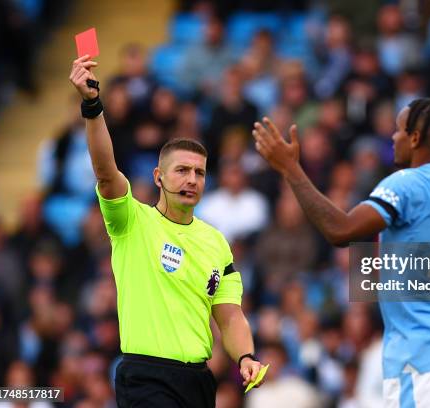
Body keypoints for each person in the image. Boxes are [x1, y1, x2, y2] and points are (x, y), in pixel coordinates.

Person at [252, 98, 430, 407]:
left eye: (398, 131)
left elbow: (341, 231)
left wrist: (291, 168)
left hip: (421, 358)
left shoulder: (406, 185)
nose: (393, 138)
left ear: (414, 138)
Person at [69, 55, 264, 407]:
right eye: (182, 170)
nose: (192, 179)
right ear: (158, 177)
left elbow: (230, 315)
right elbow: (105, 171)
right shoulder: (131, 221)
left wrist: (245, 357)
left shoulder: (215, 242)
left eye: (200, 173)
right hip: (146, 378)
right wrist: (93, 106)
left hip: (199, 381)